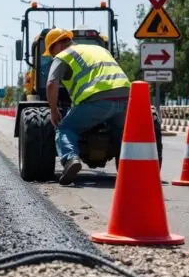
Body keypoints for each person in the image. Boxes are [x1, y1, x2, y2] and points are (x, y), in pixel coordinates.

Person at [44, 28, 131, 186]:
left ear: (57, 45)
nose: (52, 56)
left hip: (96, 98)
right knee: (123, 135)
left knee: (65, 128)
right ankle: (129, 167)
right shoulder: (100, 49)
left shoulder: (63, 55)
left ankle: (71, 159)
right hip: (126, 97)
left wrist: (54, 111)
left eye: (51, 51)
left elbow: (51, 84)